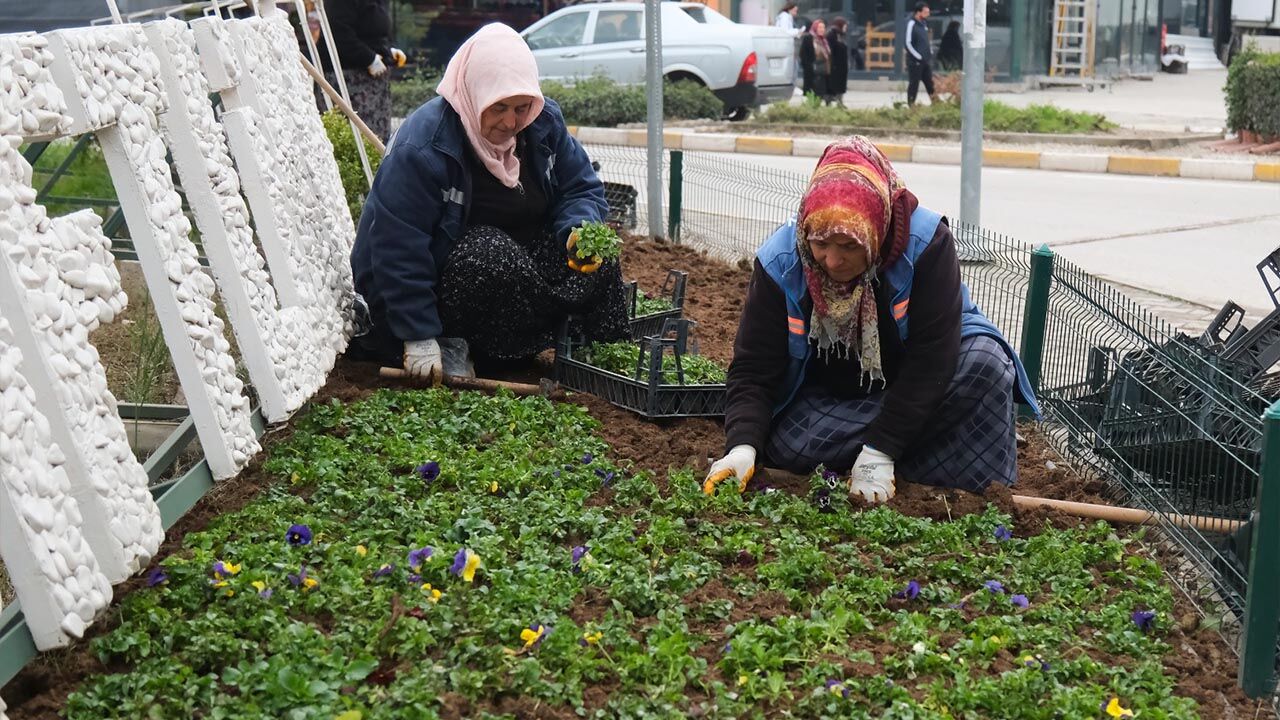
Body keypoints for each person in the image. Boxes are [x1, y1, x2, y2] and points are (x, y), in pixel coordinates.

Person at [703, 137, 1039, 502]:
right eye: (820, 244)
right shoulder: (780, 262)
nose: (833, 261)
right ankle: (924, 461)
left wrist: (882, 447)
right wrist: (742, 447)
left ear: (876, 230)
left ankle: (881, 459)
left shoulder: (927, 244)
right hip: (837, 402)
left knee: (987, 364)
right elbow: (754, 367)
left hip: (921, 385)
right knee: (790, 444)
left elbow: (932, 360)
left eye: (850, 245)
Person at [347, 23, 629, 380]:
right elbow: (398, 247)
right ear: (475, 93)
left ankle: (599, 363)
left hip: (511, 280)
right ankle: (476, 352)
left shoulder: (542, 124)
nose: (511, 121)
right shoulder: (423, 149)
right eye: (499, 108)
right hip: (444, 292)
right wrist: (418, 334)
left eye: (522, 107)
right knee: (488, 253)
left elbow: (580, 188)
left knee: (596, 249)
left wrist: (577, 230)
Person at [316, 0, 406, 142]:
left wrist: (388, 52)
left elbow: (376, 29)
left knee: (377, 139)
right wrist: (368, 58)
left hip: (373, 84)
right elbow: (338, 31)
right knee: (356, 137)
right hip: (346, 79)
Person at [904, 1, 936, 106]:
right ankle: (911, 106)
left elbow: (926, 40)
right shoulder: (911, 23)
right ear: (918, 12)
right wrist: (918, 56)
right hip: (915, 61)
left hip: (925, 60)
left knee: (930, 83)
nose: (928, 14)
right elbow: (908, 43)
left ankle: (937, 104)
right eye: (926, 12)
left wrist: (929, 52)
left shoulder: (924, 24)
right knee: (914, 84)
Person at [799, 19, 831, 101]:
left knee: (821, 93)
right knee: (812, 92)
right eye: (820, 27)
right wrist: (808, 67)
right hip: (812, 70)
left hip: (822, 70)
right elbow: (803, 54)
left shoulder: (824, 40)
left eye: (823, 27)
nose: (822, 29)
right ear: (815, 28)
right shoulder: (808, 38)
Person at [825, 17, 849, 105]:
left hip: (841, 66)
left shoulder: (840, 35)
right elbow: (830, 50)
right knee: (834, 84)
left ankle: (839, 101)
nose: (846, 28)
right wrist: (832, 63)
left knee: (840, 85)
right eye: (845, 26)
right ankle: (830, 101)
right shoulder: (832, 35)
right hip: (835, 65)